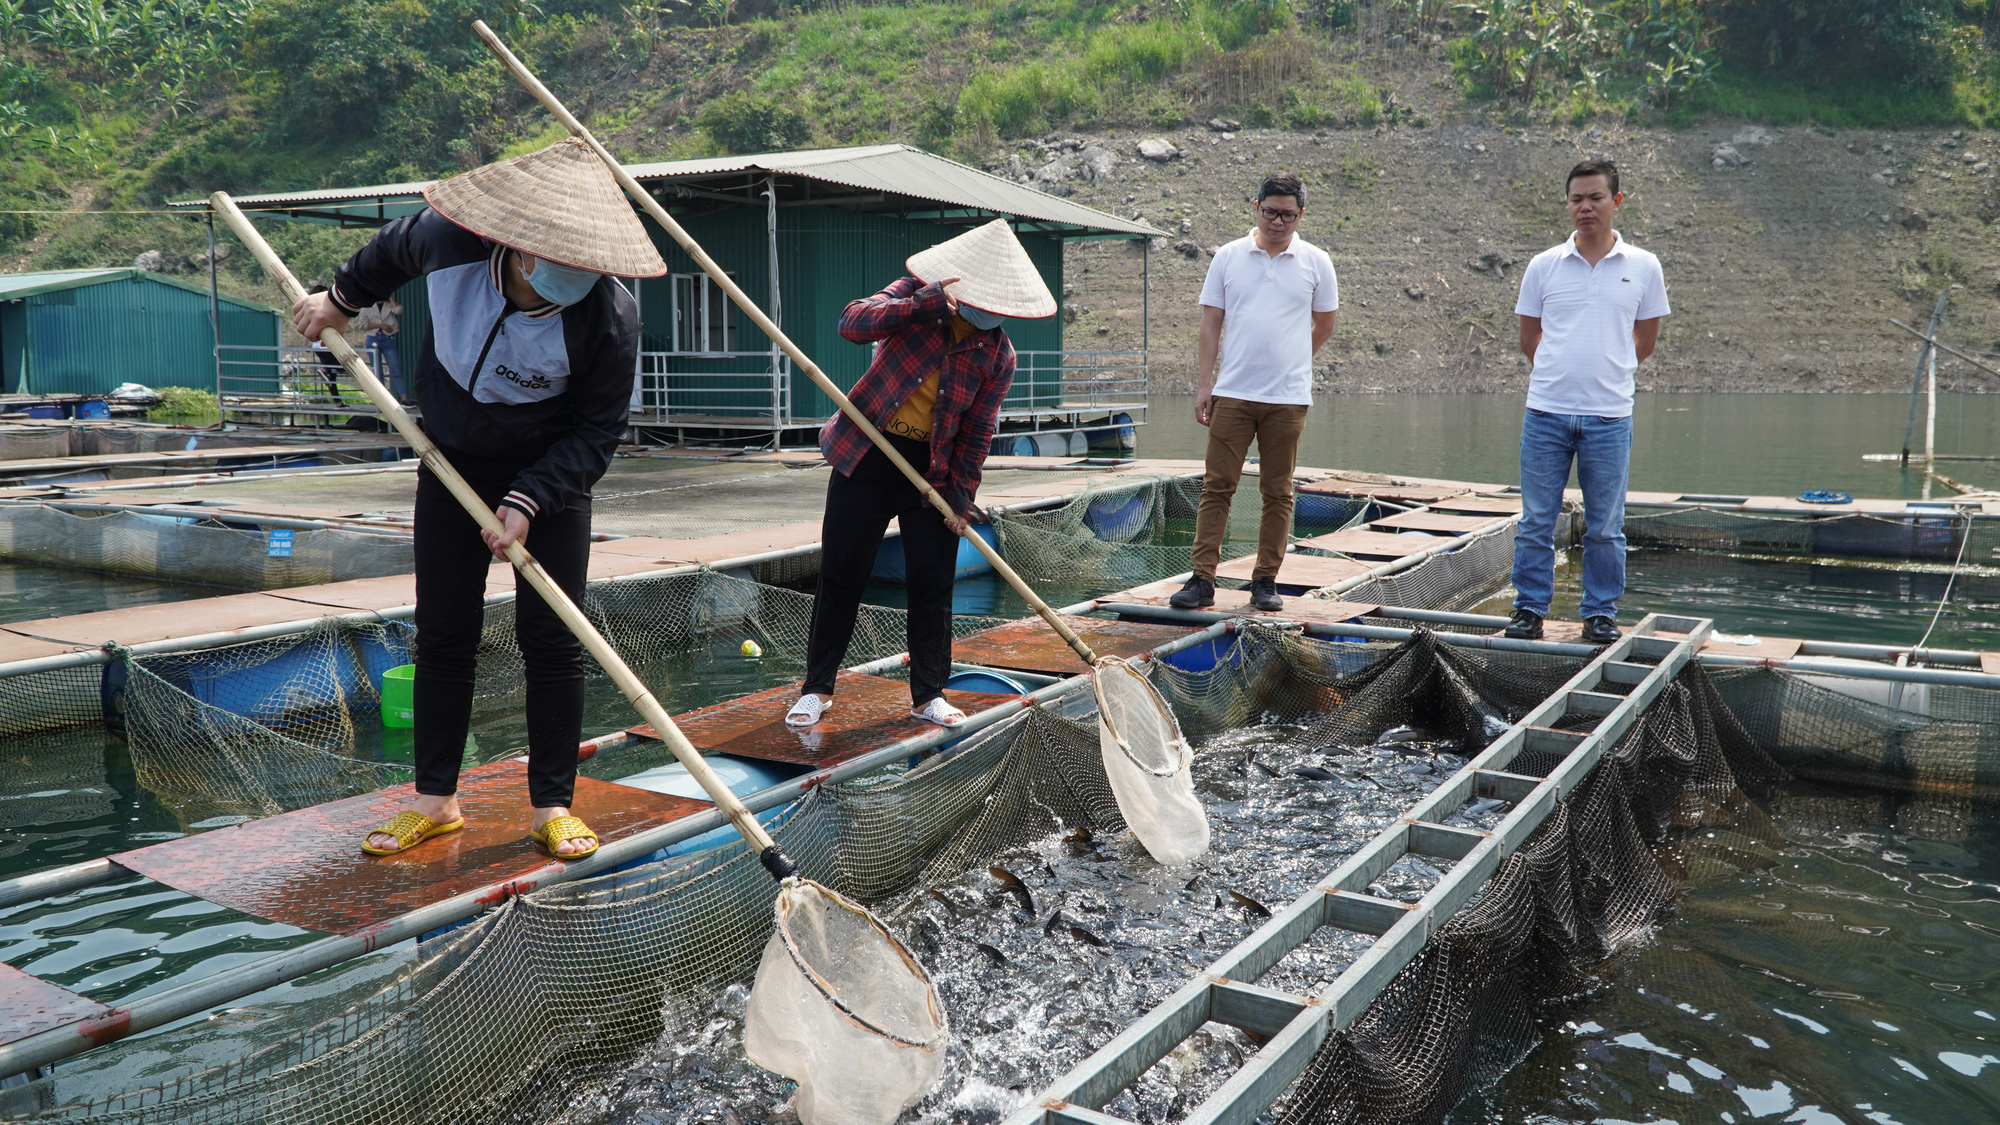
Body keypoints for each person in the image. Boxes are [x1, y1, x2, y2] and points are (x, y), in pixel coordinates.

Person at [291, 138, 665, 859]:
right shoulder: (449, 241)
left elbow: (595, 434)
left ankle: (553, 802)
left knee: (552, 640)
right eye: (563, 264)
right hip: (451, 458)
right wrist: (338, 302)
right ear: (522, 251)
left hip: (549, 476)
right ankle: (437, 799)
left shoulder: (608, 318)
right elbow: (387, 253)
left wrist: (531, 499)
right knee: (445, 632)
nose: (578, 276)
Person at [787, 219, 1054, 729]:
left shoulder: (998, 354)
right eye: (983, 306)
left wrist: (961, 498)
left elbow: (978, 431)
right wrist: (923, 305)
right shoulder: (915, 297)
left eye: (998, 312)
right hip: (868, 448)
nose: (987, 317)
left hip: (932, 469)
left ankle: (928, 694)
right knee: (842, 574)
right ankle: (817, 688)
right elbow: (852, 321)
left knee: (932, 583)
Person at [1505, 159, 1670, 645]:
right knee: (1537, 520)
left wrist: (1608, 371)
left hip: (1609, 416)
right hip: (1546, 413)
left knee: (1605, 526)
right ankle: (1529, 610)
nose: (1585, 207)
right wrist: (1562, 375)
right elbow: (1529, 338)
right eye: (1576, 199)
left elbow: (1645, 338)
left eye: (1595, 198)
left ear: (1616, 202)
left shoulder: (1643, 266)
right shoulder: (1544, 265)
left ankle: (1599, 613)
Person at [1172, 171, 1338, 613]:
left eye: (1287, 214)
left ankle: (1265, 582)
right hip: (1233, 392)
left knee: (1278, 491)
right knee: (1217, 485)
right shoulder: (1228, 257)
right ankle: (1202, 580)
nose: (1277, 222)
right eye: (1270, 212)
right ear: (1257, 209)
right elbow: (1211, 323)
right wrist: (1205, 384)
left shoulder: (1317, 262)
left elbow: (1324, 324)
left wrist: (1294, 360)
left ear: (1301, 214)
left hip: (1288, 398)